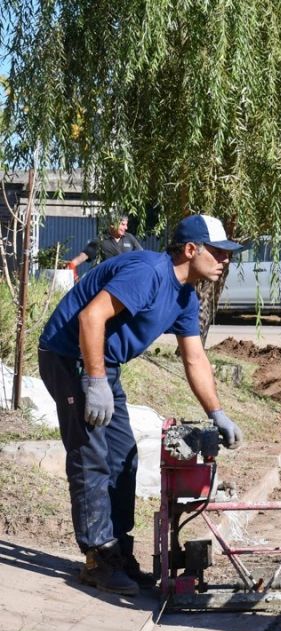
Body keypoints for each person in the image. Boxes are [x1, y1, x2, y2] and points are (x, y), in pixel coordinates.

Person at [38, 214, 245, 596]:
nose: (224, 260)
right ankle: (98, 558)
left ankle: (119, 552)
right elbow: (91, 316)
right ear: (190, 249)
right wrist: (95, 380)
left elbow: (194, 358)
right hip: (68, 358)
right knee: (91, 454)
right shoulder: (149, 271)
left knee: (123, 455)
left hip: (102, 365)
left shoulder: (186, 295)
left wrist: (217, 412)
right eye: (217, 252)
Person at [65, 214, 143, 272]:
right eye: (123, 224)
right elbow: (84, 255)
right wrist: (73, 264)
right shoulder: (101, 240)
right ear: (112, 225)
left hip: (125, 277)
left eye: (126, 225)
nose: (126, 228)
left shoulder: (129, 238)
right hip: (107, 280)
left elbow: (142, 254)